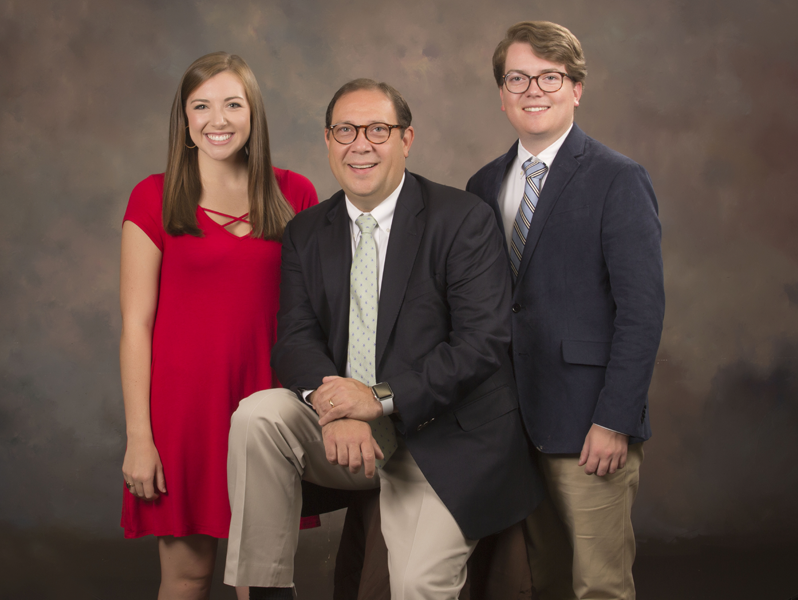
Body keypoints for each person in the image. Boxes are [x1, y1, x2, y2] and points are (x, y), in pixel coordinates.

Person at [224, 78, 543, 600]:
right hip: (346, 436)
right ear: (328, 140)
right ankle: (266, 590)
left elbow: (481, 343)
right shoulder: (307, 231)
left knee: (416, 584)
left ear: (406, 139)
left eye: (377, 129)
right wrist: (339, 407)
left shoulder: (461, 219)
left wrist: (375, 398)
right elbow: (295, 339)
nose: (360, 144)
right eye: (345, 130)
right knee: (257, 417)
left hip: (441, 437)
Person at [466, 21, 665, 600]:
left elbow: (641, 311)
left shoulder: (618, 178)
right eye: (518, 78)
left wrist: (614, 421)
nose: (534, 90)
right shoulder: (482, 185)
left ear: (576, 88)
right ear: (502, 95)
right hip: (508, 426)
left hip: (589, 426)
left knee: (599, 585)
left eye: (550, 76)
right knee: (536, 583)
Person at [119, 52, 317, 599]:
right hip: (183, 413)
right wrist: (140, 437)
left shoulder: (295, 194)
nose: (218, 119)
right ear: (185, 121)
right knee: (188, 574)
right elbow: (135, 326)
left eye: (233, 104)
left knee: (263, 574)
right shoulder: (153, 197)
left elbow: (317, 314)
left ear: (254, 115)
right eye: (201, 106)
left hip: (267, 407)